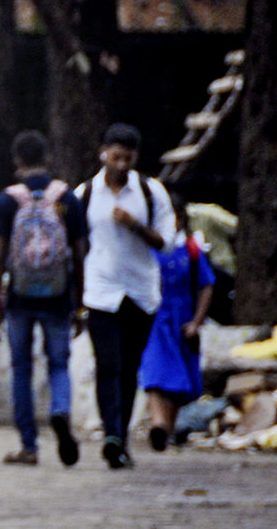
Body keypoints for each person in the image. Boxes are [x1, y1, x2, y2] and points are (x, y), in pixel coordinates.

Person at [0, 129, 90, 467]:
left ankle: (29, 445)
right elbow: (79, 252)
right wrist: (80, 301)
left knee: (21, 369)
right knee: (59, 363)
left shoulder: (8, 200)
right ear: (47, 158)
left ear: (17, 161)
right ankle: (60, 410)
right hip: (59, 296)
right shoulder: (66, 198)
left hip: (20, 297)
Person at [77, 122, 178, 468]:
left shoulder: (152, 193)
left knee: (129, 366)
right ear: (103, 153)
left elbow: (167, 244)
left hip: (140, 293)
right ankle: (113, 435)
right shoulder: (85, 194)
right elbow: (76, 244)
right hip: (101, 292)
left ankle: (120, 435)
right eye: (116, 156)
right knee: (107, 364)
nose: (121, 164)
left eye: (128, 158)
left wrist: (136, 225)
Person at [140, 196, 217, 452]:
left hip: (182, 322)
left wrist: (196, 322)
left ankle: (165, 431)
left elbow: (206, 286)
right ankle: (158, 423)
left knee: (177, 381)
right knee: (154, 373)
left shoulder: (192, 251)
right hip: (155, 320)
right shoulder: (149, 249)